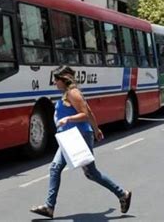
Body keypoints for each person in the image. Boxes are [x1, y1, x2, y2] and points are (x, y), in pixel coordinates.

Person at [30, 66, 132, 219]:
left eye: (56, 79)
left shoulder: (73, 93)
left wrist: (68, 119)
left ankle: (122, 194)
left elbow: (85, 114)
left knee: (91, 173)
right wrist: (97, 130)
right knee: (56, 168)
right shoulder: (68, 93)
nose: (54, 82)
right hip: (69, 137)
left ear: (64, 79)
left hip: (78, 136)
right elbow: (89, 111)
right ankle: (49, 207)